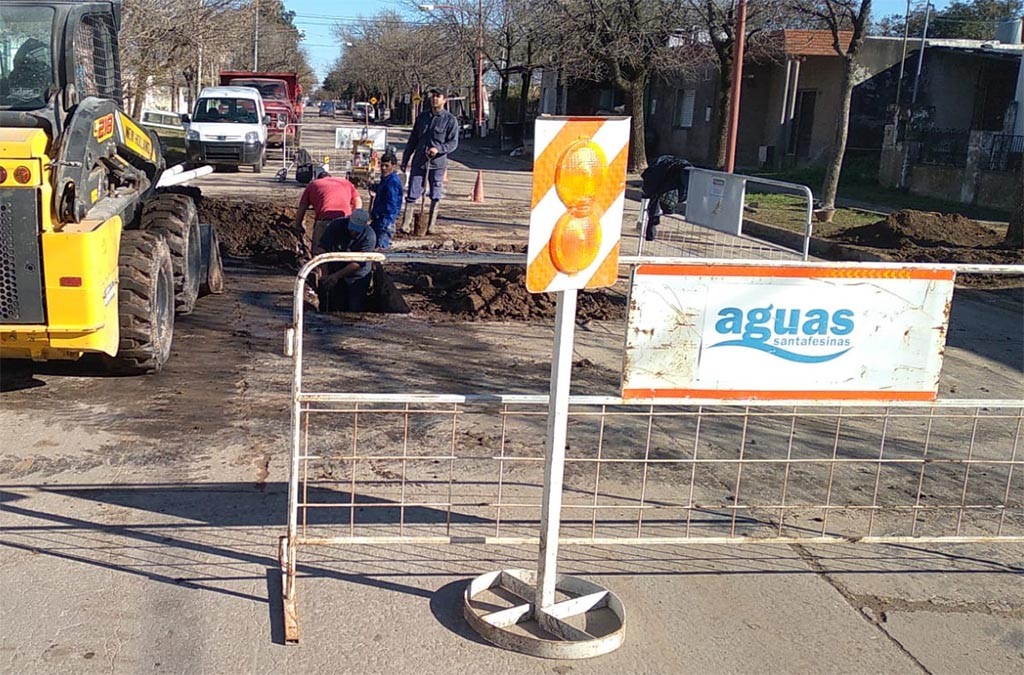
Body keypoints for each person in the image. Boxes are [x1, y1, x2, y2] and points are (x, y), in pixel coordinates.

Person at [400, 86, 459, 235]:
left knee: (435, 193)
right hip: (419, 161)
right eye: (433, 96)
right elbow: (413, 139)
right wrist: (405, 159)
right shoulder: (422, 117)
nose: (434, 98)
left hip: (437, 164)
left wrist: (439, 149)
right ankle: (406, 225)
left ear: (444, 100)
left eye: (438, 96)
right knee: (412, 192)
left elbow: (453, 143)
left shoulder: (450, 120)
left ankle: (431, 226)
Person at [316, 209, 376, 312]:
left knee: (355, 306)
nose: (353, 232)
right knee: (335, 304)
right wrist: (326, 275)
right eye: (352, 228)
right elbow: (322, 249)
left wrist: (336, 276)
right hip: (335, 268)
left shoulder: (369, 236)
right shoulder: (336, 226)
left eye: (357, 230)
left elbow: (358, 263)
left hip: (357, 275)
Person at [292, 169, 363, 255]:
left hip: (325, 221)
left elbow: (302, 208)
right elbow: (358, 202)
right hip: (344, 221)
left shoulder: (313, 185)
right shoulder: (346, 183)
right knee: (342, 252)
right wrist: (353, 220)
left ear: (318, 178)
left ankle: (321, 267)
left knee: (318, 252)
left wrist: (298, 225)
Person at [639, 155, 692, 242]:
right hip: (661, 188)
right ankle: (650, 231)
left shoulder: (661, 169)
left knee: (655, 207)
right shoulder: (675, 171)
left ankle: (650, 231)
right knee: (656, 207)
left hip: (657, 188)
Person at [369, 153, 403, 249]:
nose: (383, 168)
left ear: (393, 166)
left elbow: (392, 205)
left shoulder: (392, 182)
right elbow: (381, 191)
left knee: (381, 249)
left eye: (387, 166)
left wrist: (386, 222)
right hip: (377, 219)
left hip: (385, 221)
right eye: (382, 165)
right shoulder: (385, 180)